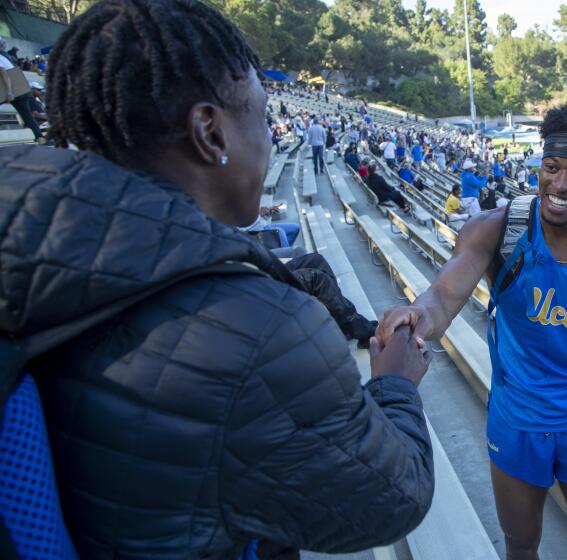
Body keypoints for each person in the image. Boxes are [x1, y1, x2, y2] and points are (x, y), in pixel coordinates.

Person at [4, 0, 435, 556]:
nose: (273, 138)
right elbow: (392, 499)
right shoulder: (259, 334)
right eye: (258, 117)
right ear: (210, 132)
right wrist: (395, 382)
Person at [376, 102, 567, 560]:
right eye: (551, 167)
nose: (561, 185)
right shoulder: (497, 230)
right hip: (518, 417)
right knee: (520, 547)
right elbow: (443, 296)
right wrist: (415, 315)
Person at [0, 37, 43, 141]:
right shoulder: (6, 56)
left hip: (13, 87)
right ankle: (40, 138)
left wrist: (9, 91)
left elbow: (4, 73)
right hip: (21, 86)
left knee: (27, 114)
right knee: (27, 115)